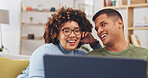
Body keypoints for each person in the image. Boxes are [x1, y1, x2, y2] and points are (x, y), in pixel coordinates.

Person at [17, 7, 102, 78]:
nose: (72, 35)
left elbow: (104, 67)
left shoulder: (82, 56)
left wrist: (94, 43)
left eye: (77, 31)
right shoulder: (44, 53)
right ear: (56, 34)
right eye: (66, 31)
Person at [86, 8, 148, 77]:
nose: (99, 31)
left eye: (103, 24)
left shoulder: (145, 56)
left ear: (120, 23)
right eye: (97, 29)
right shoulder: (91, 58)